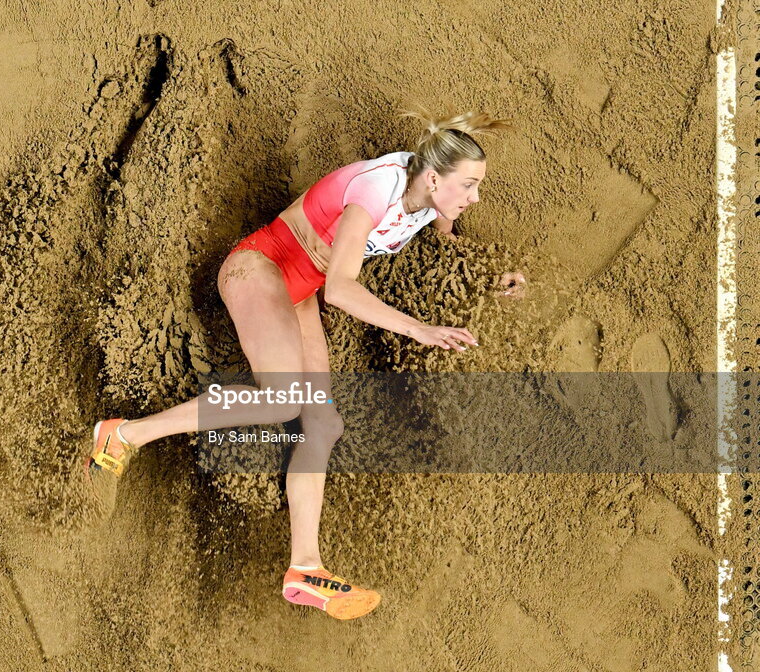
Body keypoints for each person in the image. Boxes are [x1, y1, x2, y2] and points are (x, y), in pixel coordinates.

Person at [85, 109, 523, 620]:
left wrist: (491, 279)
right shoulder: (376, 189)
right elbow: (339, 289)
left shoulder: (433, 203)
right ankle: (124, 434)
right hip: (260, 267)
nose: (474, 198)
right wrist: (417, 329)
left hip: (299, 290)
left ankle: (305, 567)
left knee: (322, 422)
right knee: (282, 401)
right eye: (468, 186)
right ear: (432, 177)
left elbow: (449, 249)